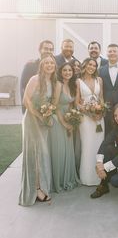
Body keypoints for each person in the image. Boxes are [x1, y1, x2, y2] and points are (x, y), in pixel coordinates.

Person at [19, 54, 61, 206]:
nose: (49, 65)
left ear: (55, 66)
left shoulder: (53, 82)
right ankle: (36, 189)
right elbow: (26, 100)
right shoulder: (35, 79)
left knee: (42, 154)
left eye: (52, 63)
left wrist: (47, 115)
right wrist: (38, 115)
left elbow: (52, 104)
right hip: (32, 120)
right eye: (46, 63)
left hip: (43, 122)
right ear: (42, 66)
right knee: (35, 154)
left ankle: (41, 185)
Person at [49, 62, 79, 192]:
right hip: (58, 120)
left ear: (73, 73)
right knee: (59, 151)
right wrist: (64, 123)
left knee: (68, 150)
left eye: (70, 70)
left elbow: (71, 104)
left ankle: (68, 178)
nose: (67, 72)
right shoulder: (59, 85)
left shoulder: (72, 86)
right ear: (61, 72)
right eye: (65, 70)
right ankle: (59, 181)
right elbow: (55, 106)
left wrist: (72, 118)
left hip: (68, 119)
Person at [75, 58, 105, 185]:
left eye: (94, 65)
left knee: (99, 145)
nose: (91, 67)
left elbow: (102, 98)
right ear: (84, 65)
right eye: (89, 64)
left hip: (99, 118)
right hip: (86, 119)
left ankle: (99, 176)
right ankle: (87, 178)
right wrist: (89, 113)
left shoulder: (99, 80)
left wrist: (101, 112)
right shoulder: (78, 81)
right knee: (88, 146)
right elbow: (77, 102)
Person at [20, 40, 54, 113]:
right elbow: (24, 87)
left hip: (48, 109)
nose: (48, 51)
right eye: (46, 49)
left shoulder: (54, 67)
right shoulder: (30, 65)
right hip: (32, 107)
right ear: (40, 50)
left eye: (51, 49)